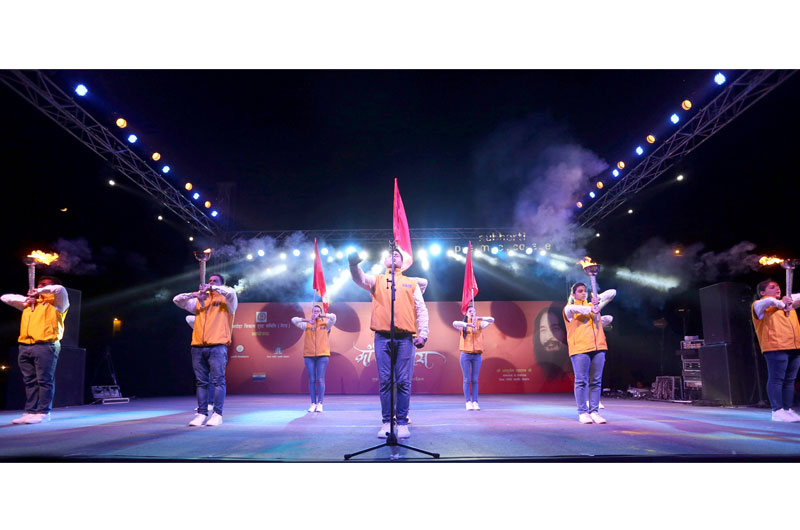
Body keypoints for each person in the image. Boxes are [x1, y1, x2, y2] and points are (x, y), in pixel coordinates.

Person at [349, 249, 428, 439]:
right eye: (390, 254)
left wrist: (423, 334)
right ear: (384, 261)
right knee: (385, 381)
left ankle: (402, 422)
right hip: (382, 337)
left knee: (403, 381)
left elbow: (421, 309)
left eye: (398, 255)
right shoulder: (376, 280)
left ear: (404, 262)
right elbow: (360, 278)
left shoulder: (411, 283)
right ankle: (387, 422)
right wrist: (353, 264)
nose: (394, 255)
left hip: (405, 338)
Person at [2, 276, 70, 424]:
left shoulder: (58, 303)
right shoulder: (30, 304)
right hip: (25, 346)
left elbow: (60, 289)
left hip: (46, 345)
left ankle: (43, 412)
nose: (39, 287)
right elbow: (5, 298)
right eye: (39, 285)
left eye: (44, 285)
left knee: (44, 380)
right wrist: (26, 299)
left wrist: (40, 291)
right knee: (30, 381)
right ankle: (30, 411)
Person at [173, 273, 238, 427]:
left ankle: (217, 414)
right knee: (201, 382)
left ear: (221, 284)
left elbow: (231, 293)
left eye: (215, 281)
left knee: (218, 381)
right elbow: (176, 300)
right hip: (197, 346)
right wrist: (194, 294)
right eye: (209, 281)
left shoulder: (227, 300)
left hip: (217, 346)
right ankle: (201, 414)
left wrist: (213, 288)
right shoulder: (199, 300)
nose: (211, 283)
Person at [562, 282, 615, 424]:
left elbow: (613, 292)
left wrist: (599, 298)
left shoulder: (594, 306)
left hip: (599, 347)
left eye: (585, 290)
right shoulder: (569, 310)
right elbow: (572, 308)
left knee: (596, 381)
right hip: (580, 349)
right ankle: (583, 412)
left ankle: (594, 412)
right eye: (580, 291)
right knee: (581, 381)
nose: (583, 293)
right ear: (574, 294)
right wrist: (592, 307)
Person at [751, 278, 800, 422]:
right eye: (772, 287)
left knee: (790, 380)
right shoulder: (759, 305)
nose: (777, 288)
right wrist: (781, 303)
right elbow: (768, 301)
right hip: (775, 346)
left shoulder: (788, 304)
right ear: (762, 292)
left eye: (778, 286)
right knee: (777, 379)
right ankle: (777, 410)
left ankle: (787, 409)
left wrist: (788, 301)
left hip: (794, 346)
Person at [291, 305, 337, 412]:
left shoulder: (326, 324)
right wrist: (307, 320)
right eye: (314, 311)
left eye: (318, 311)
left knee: (320, 379)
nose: (316, 313)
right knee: (311, 380)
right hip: (309, 355)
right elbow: (293, 320)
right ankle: (313, 403)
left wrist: (321, 315)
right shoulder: (306, 325)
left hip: (323, 355)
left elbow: (334, 317)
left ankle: (320, 403)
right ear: (312, 313)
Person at [452, 305, 494, 410]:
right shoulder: (462, 325)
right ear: (466, 313)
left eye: (474, 311)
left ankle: (475, 401)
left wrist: (480, 318)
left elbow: (492, 320)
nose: (472, 312)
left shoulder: (480, 324)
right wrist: (468, 324)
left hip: (477, 355)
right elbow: (454, 323)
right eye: (470, 311)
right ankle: (468, 402)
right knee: (467, 379)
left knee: (475, 379)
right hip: (465, 355)